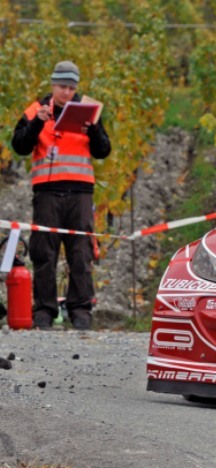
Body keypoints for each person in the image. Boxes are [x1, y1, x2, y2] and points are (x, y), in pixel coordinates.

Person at [11, 61, 111, 330]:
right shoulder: (35, 110)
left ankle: (80, 310)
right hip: (47, 192)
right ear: (52, 85)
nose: (66, 92)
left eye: (70, 87)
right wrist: (35, 124)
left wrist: (94, 129)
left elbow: (103, 150)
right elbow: (19, 146)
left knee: (80, 252)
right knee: (43, 251)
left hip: (80, 192)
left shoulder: (89, 110)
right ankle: (44, 310)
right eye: (61, 86)